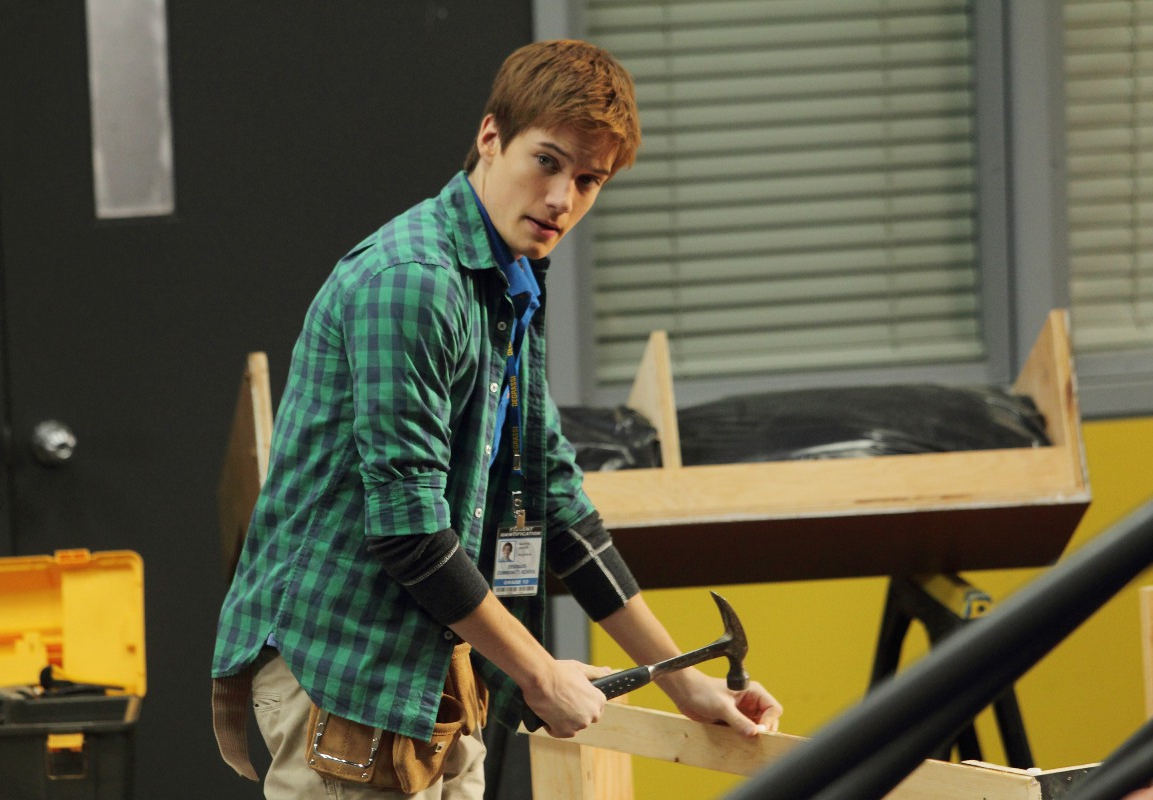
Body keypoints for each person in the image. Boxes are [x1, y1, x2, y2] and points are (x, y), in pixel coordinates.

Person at [211, 39, 782, 799]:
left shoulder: (508, 284)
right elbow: (409, 532)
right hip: (346, 671)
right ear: (490, 137)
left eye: (588, 180)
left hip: (435, 668)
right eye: (547, 162)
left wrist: (687, 684)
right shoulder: (415, 284)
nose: (562, 199)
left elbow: (556, 500)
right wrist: (540, 672)